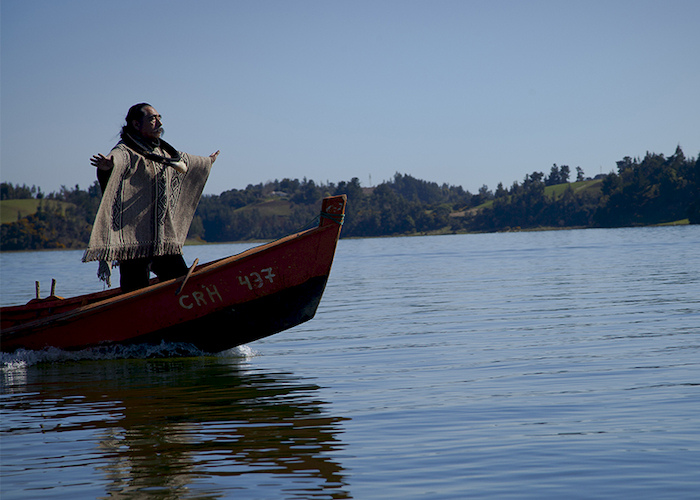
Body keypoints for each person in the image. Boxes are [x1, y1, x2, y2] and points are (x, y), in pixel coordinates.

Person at [82, 103, 220, 292]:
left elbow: (184, 161)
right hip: (133, 244)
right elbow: (116, 160)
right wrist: (108, 167)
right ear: (136, 124)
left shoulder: (164, 152)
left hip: (163, 239)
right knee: (134, 294)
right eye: (152, 119)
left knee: (182, 287)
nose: (159, 122)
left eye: (158, 117)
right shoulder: (126, 150)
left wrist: (206, 162)